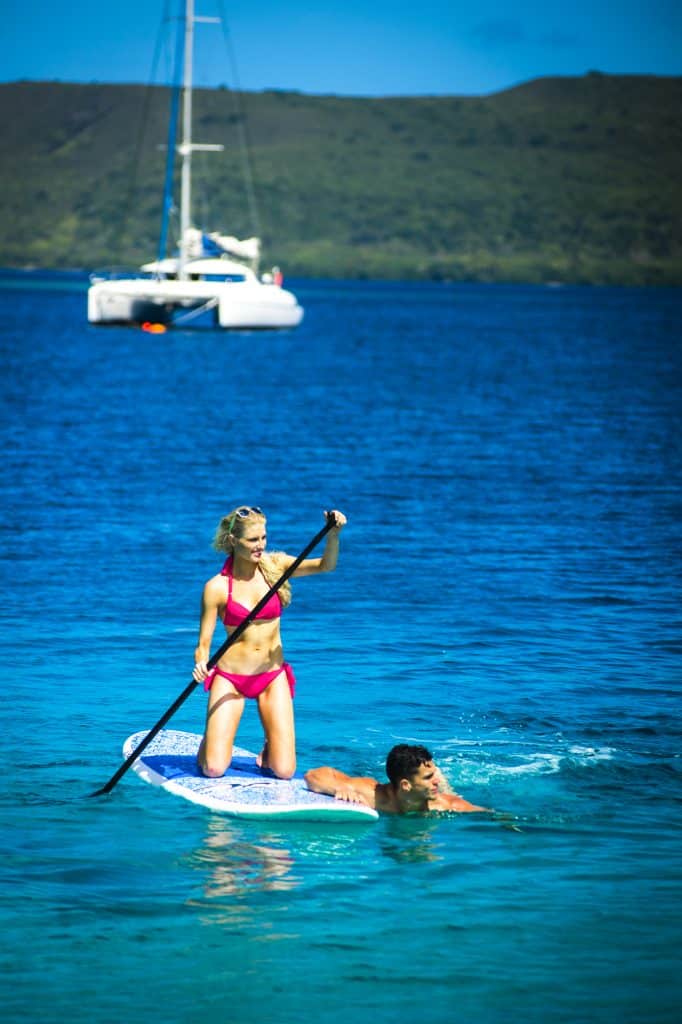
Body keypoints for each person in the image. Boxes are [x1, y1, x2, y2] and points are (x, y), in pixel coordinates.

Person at [192, 506, 346, 780]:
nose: (260, 545)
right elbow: (203, 643)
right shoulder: (216, 587)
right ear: (232, 541)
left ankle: (269, 746)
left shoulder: (276, 567)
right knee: (213, 770)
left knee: (285, 771)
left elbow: (325, 565)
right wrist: (201, 662)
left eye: (263, 537)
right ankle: (209, 742)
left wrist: (333, 535)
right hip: (231, 678)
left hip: (272, 676)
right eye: (253, 540)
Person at [304, 743, 489, 814]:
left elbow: (489, 814)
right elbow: (312, 775)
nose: (435, 782)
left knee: (445, 790)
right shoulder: (373, 795)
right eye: (428, 777)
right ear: (406, 785)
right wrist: (338, 789)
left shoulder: (444, 804)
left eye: (433, 776)